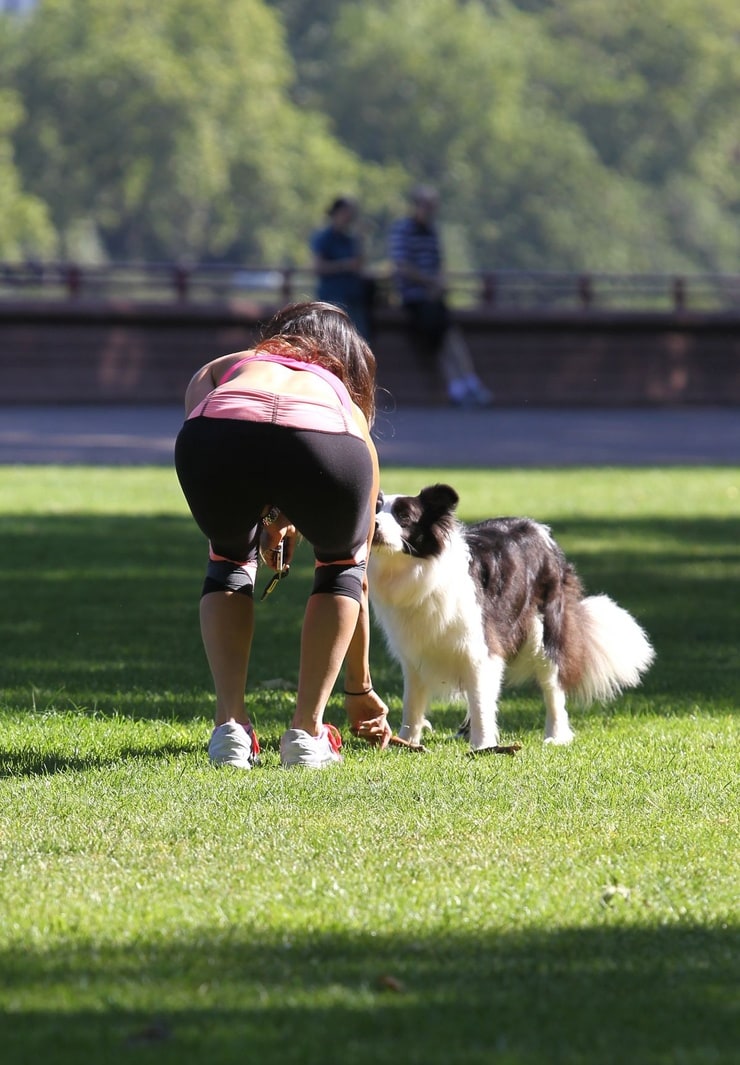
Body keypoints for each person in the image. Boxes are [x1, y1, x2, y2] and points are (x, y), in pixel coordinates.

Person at [174, 301, 392, 769]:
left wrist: (268, 519)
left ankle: (228, 729)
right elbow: (358, 575)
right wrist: (360, 689)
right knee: (340, 568)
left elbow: (237, 434)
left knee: (229, 560)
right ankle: (307, 733)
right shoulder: (344, 404)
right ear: (348, 358)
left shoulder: (227, 367)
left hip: (214, 430)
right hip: (325, 441)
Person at [389, 185, 493, 407]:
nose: (430, 211)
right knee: (443, 338)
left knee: (449, 336)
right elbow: (402, 266)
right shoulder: (403, 230)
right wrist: (429, 283)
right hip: (415, 298)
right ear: (416, 206)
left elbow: (437, 264)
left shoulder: (431, 231)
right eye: (426, 206)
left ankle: (464, 385)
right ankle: (462, 386)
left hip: (433, 296)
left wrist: (438, 284)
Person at [310, 197, 370, 338]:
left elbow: (360, 264)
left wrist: (361, 239)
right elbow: (318, 267)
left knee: (359, 338)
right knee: (334, 337)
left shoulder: (350, 239)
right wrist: (344, 265)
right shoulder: (324, 237)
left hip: (354, 298)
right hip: (332, 298)